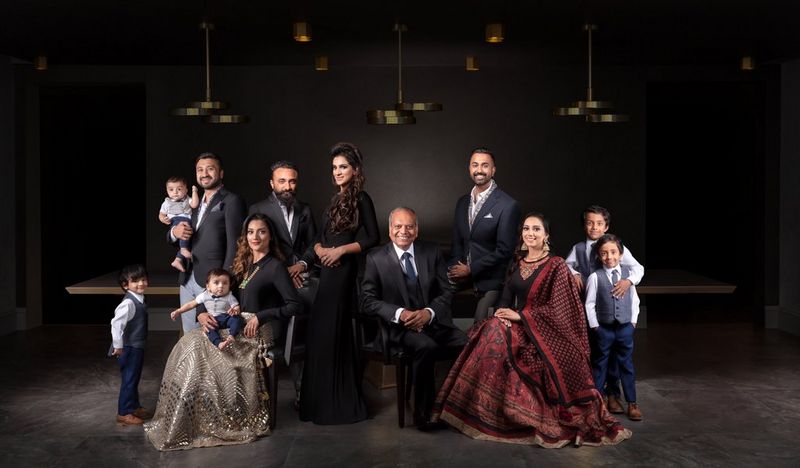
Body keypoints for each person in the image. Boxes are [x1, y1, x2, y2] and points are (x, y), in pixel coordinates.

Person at [433, 212, 631, 448]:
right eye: (526, 229)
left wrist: (520, 316)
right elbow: (506, 297)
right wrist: (502, 314)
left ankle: (500, 411)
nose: (530, 234)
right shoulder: (517, 260)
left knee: (494, 333)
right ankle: (480, 408)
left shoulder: (555, 265)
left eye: (536, 229)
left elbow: (559, 309)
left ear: (546, 235)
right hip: (518, 323)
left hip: (544, 331)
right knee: (492, 328)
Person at [145, 214, 301, 451]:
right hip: (232, 326)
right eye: (250, 231)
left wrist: (260, 316)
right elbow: (211, 291)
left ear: (270, 236)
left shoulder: (275, 267)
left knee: (197, 348)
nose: (255, 237)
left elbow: (295, 306)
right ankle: (189, 421)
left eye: (261, 231)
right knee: (189, 344)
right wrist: (200, 313)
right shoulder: (242, 264)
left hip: (256, 331)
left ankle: (213, 420)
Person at [361, 207, 467, 430]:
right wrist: (401, 314)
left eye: (409, 226)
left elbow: (446, 290)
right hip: (399, 329)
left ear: (416, 230)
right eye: (398, 226)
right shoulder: (376, 258)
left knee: (467, 343)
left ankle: (459, 408)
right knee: (426, 347)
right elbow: (367, 301)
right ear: (390, 231)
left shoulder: (431, 251)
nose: (403, 231)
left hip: (433, 322)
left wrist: (429, 313)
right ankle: (424, 414)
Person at [300, 142, 379, 425]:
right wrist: (321, 251)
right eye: (334, 168)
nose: (337, 172)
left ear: (355, 169)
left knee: (335, 333)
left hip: (344, 274)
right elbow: (320, 238)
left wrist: (341, 251)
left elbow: (373, 237)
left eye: (342, 167)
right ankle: (318, 403)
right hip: (327, 273)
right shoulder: (334, 200)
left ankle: (339, 403)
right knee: (320, 334)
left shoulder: (362, 199)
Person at [249, 160, 318, 408]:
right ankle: (260, 397)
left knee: (300, 339)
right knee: (267, 341)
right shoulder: (258, 208)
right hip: (270, 284)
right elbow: (252, 247)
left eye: (292, 181)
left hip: (300, 281)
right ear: (272, 183)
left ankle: (302, 393)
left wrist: (302, 265)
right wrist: (280, 272)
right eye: (282, 181)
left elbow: (314, 245)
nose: (287, 186)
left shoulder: (305, 210)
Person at [564, 204, 644, 413]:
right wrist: (573, 273)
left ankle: (613, 395)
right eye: (590, 223)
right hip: (589, 311)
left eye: (599, 223)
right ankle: (593, 396)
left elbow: (637, 268)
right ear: (584, 226)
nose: (594, 227)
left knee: (615, 358)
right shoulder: (579, 249)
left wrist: (629, 281)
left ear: (606, 226)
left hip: (614, 312)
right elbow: (566, 265)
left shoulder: (614, 246)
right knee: (595, 354)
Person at [170, 152, 247, 333]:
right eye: (200, 170)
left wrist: (220, 286)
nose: (204, 173)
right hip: (187, 276)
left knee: (210, 337)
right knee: (189, 335)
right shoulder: (191, 203)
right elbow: (178, 232)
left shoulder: (231, 201)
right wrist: (175, 232)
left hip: (213, 282)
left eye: (210, 169)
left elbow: (236, 248)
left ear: (221, 173)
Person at [449, 147, 520, 322]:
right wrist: (455, 268)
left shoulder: (507, 205)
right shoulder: (462, 202)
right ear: (469, 168)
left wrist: (471, 269)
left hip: (491, 278)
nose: (479, 170)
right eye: (475, 165)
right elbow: (457, 242)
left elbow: (505, 250)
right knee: (433, 298)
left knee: (479, 323)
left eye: (485, 165)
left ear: (493, 170)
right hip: (463, 274)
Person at [585, 234, 643, 421]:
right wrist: (596, 327)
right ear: (599, 256)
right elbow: (589, 304)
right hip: (604, 329)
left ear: (621, 254)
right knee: (600, 364)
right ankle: (596, 403)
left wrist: (633, 322)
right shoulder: (595, 277)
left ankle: (632, 403)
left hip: (625, 328)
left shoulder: (628, 277)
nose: (609, 257)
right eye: (604, 253)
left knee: (626, 365)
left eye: (613, 252)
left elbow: (635, 301)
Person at [109, 264, 150, 426]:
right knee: (129, 379)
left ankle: (134, 406)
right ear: (126, 285)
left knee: (134, 377)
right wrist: (118, 346)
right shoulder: (128, 303)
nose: (141, 283)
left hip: (137, 346)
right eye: (135, 281)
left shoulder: (139, 299)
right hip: (129, 348)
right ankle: (124, 412)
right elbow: (116, 324)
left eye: (144, 279)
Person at [170, 268, 242, 350]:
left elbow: (236, 307)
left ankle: (231, 335)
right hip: (213, 320)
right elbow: (191, 304)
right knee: (208, 329)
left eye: (225, 283)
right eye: (216, 283)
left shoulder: (229, 296)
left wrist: (235, 311)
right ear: (208, 286)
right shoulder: (204, 295)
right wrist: (178, 311)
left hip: (226, 317)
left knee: (236, 319)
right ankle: (219, 343)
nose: (221, 286)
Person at [158, 176, 200, 272]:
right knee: (185, 231)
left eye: (179, 189)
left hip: (187, 222)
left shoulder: (187, 199)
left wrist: (194, 192)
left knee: (188, 239)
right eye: (171, 190)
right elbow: (161, 214)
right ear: (167, 191)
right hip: (176, 221)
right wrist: (163, 219)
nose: (175, 192)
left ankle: (178, 259)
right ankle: (184, 249)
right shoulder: (166, 203)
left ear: (186, 190)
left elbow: (194, 204)